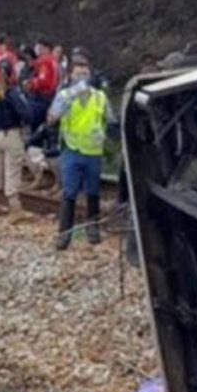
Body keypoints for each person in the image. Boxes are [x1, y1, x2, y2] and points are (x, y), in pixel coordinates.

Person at [48, 55, 114, 250]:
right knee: (69, 192)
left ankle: (92, 229)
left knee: (93, 191)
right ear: (70, 76)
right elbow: (51, 119)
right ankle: (64, 234)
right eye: (78, 74)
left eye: (85, 74)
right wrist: (70, 96)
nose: (82, 78)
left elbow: (111, 121)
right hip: (72, 149)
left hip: (93, 152)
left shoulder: (100, 97)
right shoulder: (65, 95)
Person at [0, 60, 31, 222]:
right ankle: (15, 208)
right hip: (11, 134)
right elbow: (25, 113)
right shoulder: (12, 92)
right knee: (13, 170)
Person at [25, 39, 59, 132]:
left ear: (46, 48)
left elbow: (43, 81)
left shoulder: (45, 61)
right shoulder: (53, 60)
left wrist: (31, 83)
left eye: (40, 47)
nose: (38, 50)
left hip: (42, 97)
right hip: (51, 95)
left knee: (36, 126)